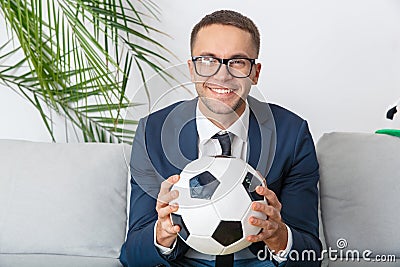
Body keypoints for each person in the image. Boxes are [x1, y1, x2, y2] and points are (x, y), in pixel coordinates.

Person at [120, 10, 321, 267]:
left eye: (237, 62)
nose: (222, 75)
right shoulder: (152, 133)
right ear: (192, 70)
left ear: (255, 73)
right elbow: (131, 255)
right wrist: (161, 234)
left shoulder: (291, 135)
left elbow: (310, 255)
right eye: (207, 60)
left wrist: (279, 236)